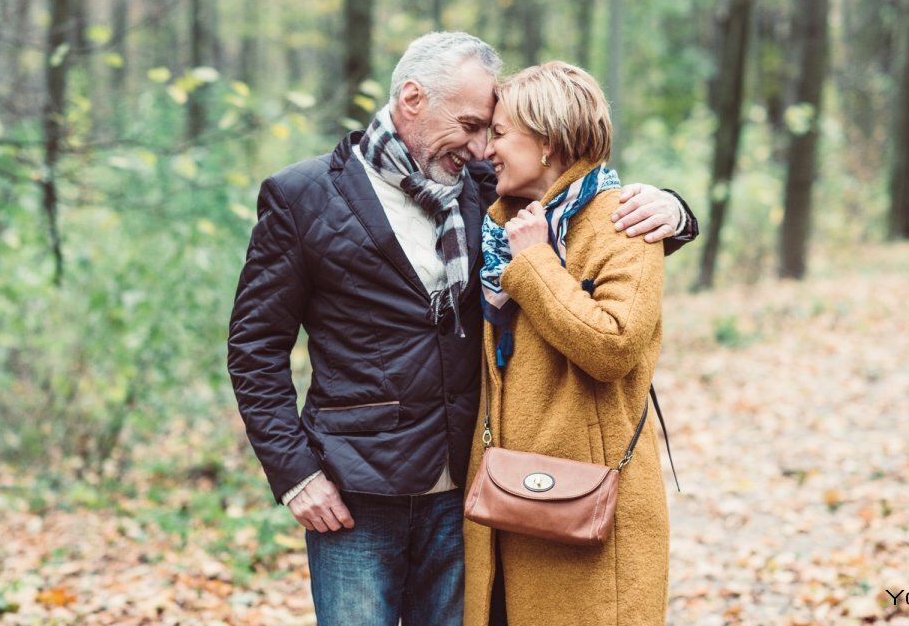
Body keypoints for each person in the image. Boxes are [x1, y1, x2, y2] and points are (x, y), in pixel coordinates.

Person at [227, 33, 695, 626]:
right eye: (472, 125)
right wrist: (295, 475)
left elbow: (581, 208)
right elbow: (254, 348)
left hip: (470, 494)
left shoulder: (483, 191)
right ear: (413, 98)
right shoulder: (302, 197)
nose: (480, 147)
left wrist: (674, 211)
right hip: (353, 495)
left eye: (489, 131)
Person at [463, 61, 671, 626]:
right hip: (503, 511)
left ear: (549, 141)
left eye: (500, 134)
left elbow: (613, 347)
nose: (486, 150)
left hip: (588, 518)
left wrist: (534, 264)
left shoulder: (624, 222)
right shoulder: (495, 224)